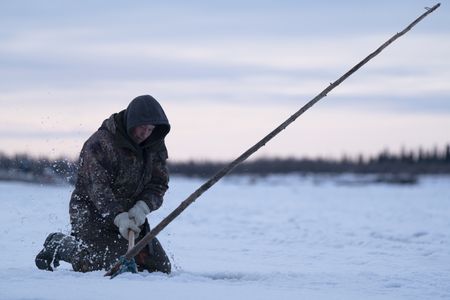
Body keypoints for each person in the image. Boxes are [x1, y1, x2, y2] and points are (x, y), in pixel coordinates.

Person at [35, 95, 171, 273]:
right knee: (103, 266)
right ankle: (58, 244)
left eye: (150, 129)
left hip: (131, 218)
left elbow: (159, 183)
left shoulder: (154, 146)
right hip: (93, 215)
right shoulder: (100, 143)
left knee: (160, 268)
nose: (145, 134)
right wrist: (118, 216)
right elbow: (98, 190)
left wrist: (142, 208)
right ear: (131, 121)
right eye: (142, 127)